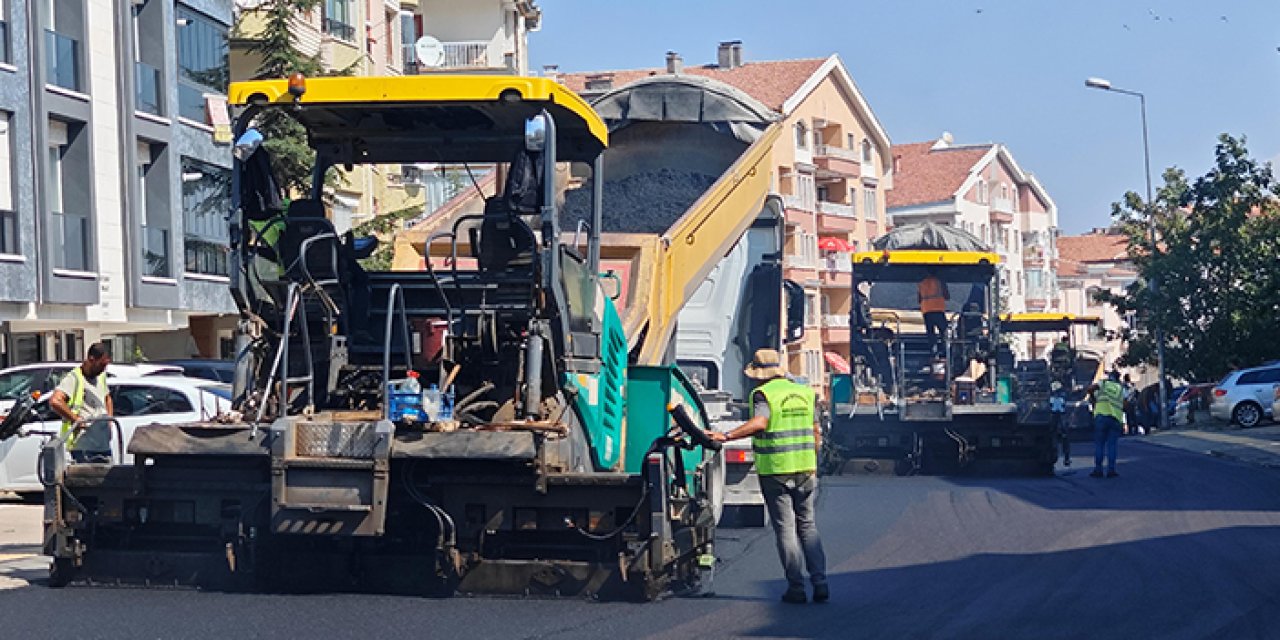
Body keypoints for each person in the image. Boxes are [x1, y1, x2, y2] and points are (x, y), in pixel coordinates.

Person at [710, 349, 828, 604]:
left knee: (786, 529)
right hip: (806, 469)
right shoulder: (805, 393)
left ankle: (796, 588)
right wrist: (814, 462)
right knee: (808, 526)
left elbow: (760, 423)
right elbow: (816, 430)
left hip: (777, 469)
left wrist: (727, 436)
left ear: (759, 374)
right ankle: (820, 582)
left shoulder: (764, 394)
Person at [49, 343, 115, 463]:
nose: (103, 369)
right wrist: (75, 419)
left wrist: (109, 420)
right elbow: (55, 401)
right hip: (84, 446)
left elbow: (107, 398)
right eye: (102, 364)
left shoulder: (100, 377)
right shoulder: (74, 378)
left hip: (103, 444)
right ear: (91, 360)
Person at [1086, 369, 1126, 478]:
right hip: (1115, 418)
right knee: (1112, 446)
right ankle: (1111, 470)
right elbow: (1125, 402)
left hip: (1101, 417)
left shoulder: (1102, 383)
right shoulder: (1120, 388)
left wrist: (1093, 397)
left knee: (1099, 444)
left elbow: (1090, 389)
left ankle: (1098, 470)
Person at [918, 270, 949, 356]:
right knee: (944, 332)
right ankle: (945, 350)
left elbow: (919, 299)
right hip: (938, 309)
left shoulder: (921, 283)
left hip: (927, 310)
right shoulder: (940, 282)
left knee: (931, 333)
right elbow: (947, 296)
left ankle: (933, 351)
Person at [1050, 381, 1071, 467]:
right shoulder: (1060, 397)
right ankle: (1066, 458)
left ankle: (1066, 458)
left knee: (1062, 438)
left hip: (1057, 418)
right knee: (1063, 438)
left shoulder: (1055, 398)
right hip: (1058, 418)